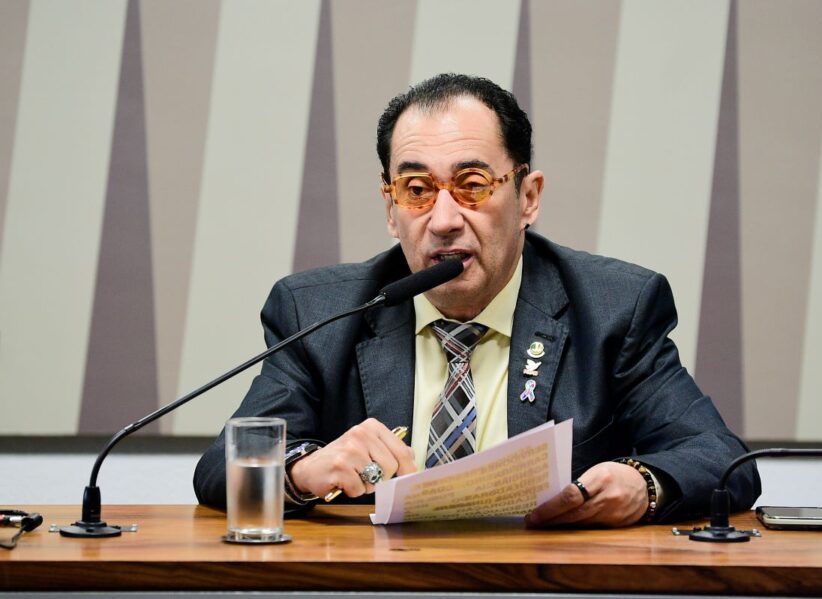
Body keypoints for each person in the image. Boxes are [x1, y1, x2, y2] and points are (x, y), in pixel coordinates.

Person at [194, 73, 760, 526]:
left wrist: (645, 484)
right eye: (416, 191)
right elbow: (223, 468)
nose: (443, 220)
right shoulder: (318, 312)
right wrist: (300, 470)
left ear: (528, 197)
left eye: (472, 184)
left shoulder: (615, 307)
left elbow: (721, 458)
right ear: (390, 207)